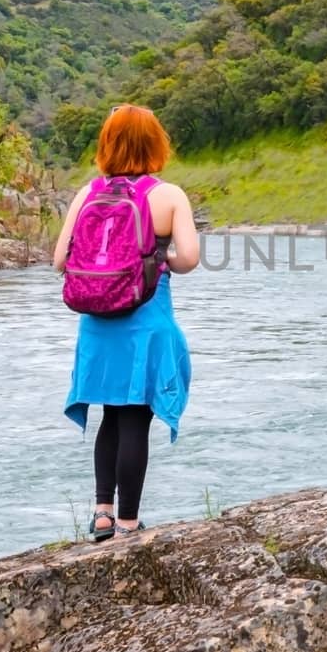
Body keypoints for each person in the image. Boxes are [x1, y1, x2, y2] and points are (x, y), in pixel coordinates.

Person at [54, 104, 200, 540]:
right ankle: (129, 524)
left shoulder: (87, 194)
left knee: (109, 416)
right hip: (146, 321)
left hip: (97, 322)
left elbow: (60, 260)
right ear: (156, 143)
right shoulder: (169, 195)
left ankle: (101, 513)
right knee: (136, 419)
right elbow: (189, 259)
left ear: (107, 144)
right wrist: (161, 258)